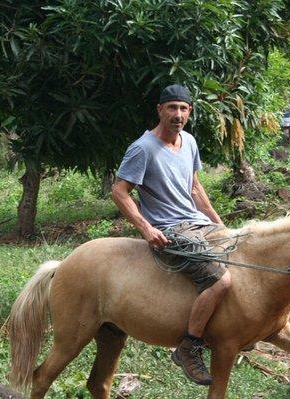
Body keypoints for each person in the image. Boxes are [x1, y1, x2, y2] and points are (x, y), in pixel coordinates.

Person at [111, 84, 232, 386]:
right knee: (221, 279)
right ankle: (188, 347)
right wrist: (147, 228)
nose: (178, 114)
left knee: (243, 257)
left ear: (190, 112)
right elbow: (120, 191)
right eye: (172, 108)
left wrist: (220, 224)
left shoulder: (188, 141)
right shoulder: (143, 148)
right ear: (160, 110)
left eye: (183, 108)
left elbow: (194, 188)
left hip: (197, 223)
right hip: (170, 230)